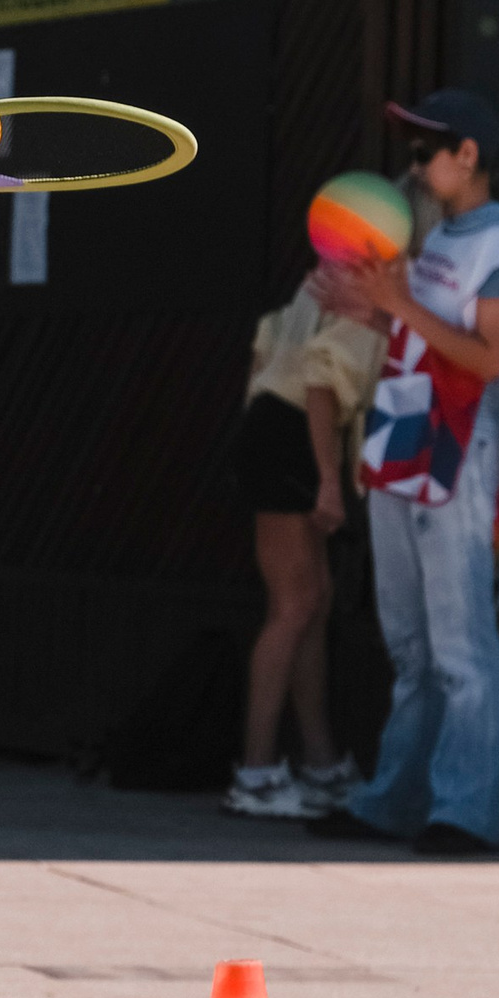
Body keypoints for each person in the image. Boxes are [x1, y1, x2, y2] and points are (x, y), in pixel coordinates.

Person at [311, 89, 499, 854]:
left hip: (451, 451)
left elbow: (488, 358)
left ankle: (466, 810)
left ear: (466, 156)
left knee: (460, 644)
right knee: (409, 643)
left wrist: (395, 305)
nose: (412, 166)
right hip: (400, 445)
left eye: (422, 152)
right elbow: (428, 335)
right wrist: (368, 310)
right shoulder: (443, 239)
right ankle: (394, 800)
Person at [219, 266, 387, 820]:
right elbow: (320, 383)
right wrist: (329, 484)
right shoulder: (361, 287)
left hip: (277, 431)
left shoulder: (322, 277)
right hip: (294, 436)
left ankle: (320, 763)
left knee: (313, 600)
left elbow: (264, 349)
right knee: (293, 608)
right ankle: (257, 773)